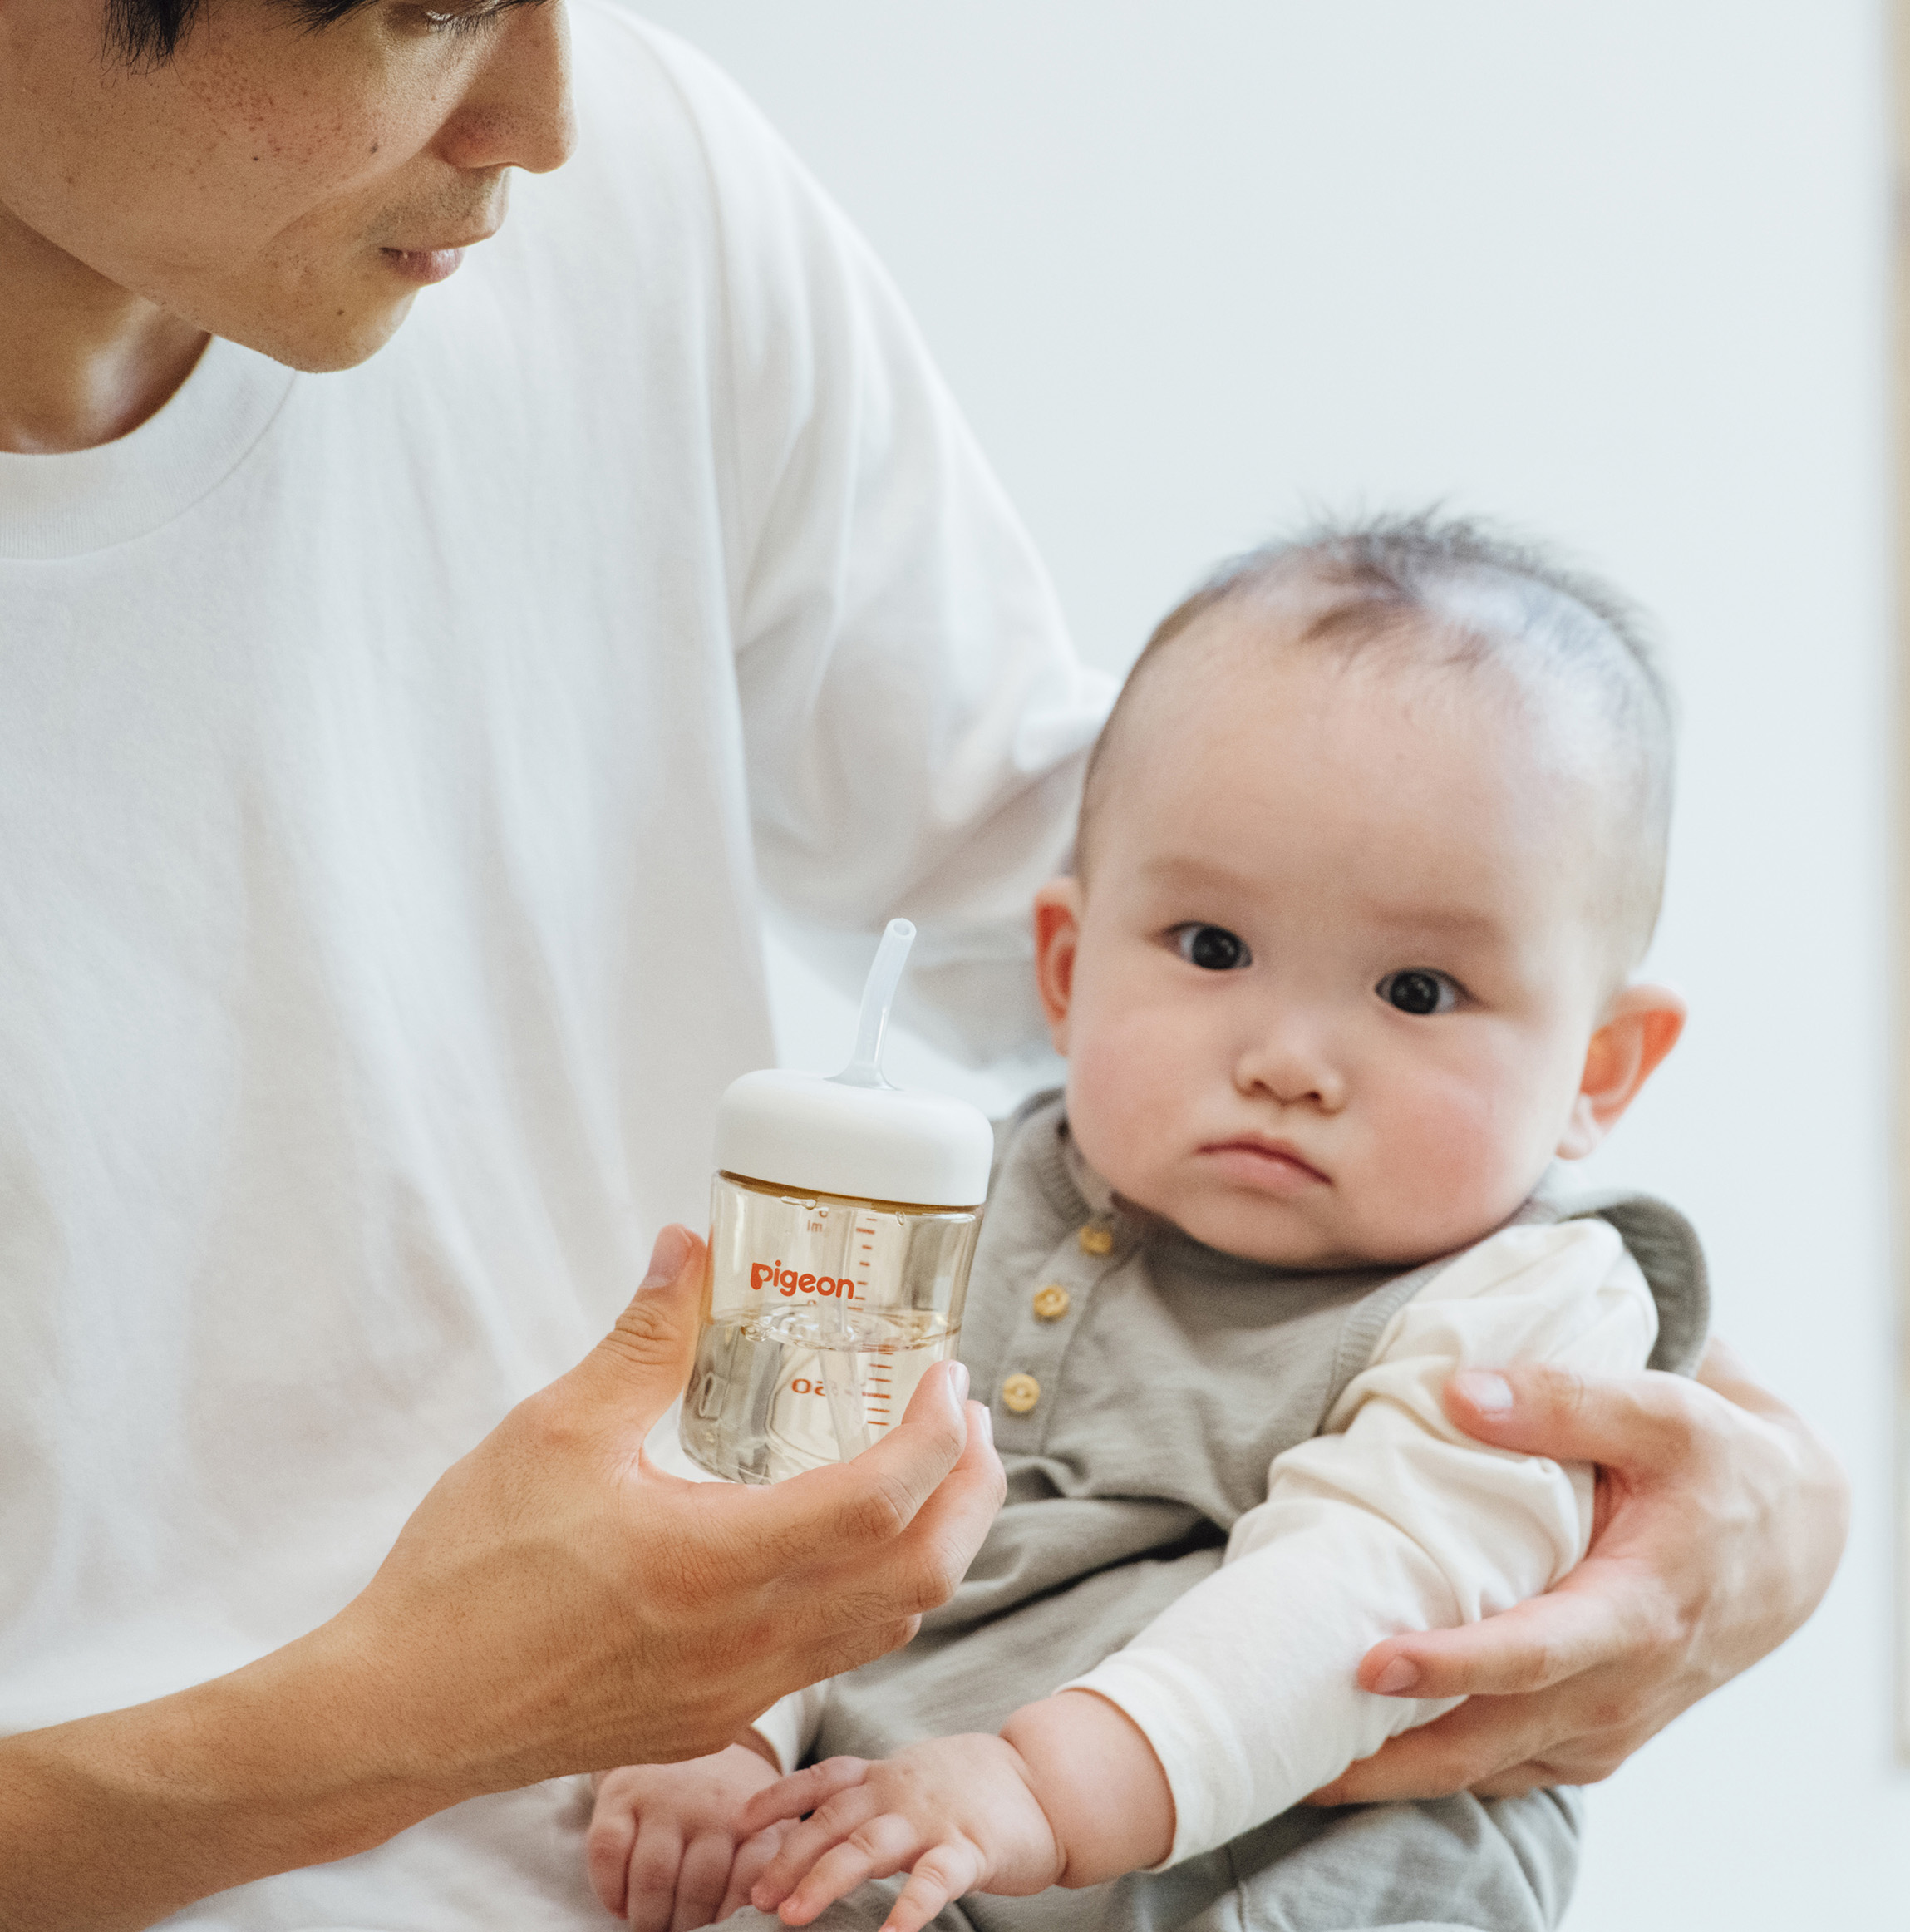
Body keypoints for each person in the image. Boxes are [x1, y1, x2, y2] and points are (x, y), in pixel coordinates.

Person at [0, 5, 1850, 1930]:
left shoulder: (638, 193)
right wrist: (423, 1722)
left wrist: (1747, 1483)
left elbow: (1170, 896)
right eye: (419, 13)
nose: (550, 115)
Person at [588, 516, 1717, 1932]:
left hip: (1279, 1875)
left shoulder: (1537, 1306)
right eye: (1213, 950)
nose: (1289, 1057)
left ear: (1598, 1070)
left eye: (1417, 991)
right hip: (915, 1845)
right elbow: (804, 1495)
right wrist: (725, 1735)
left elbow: (1364, 1598)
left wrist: (1038, 1789)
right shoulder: (960, 1205)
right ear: (1064, 968)